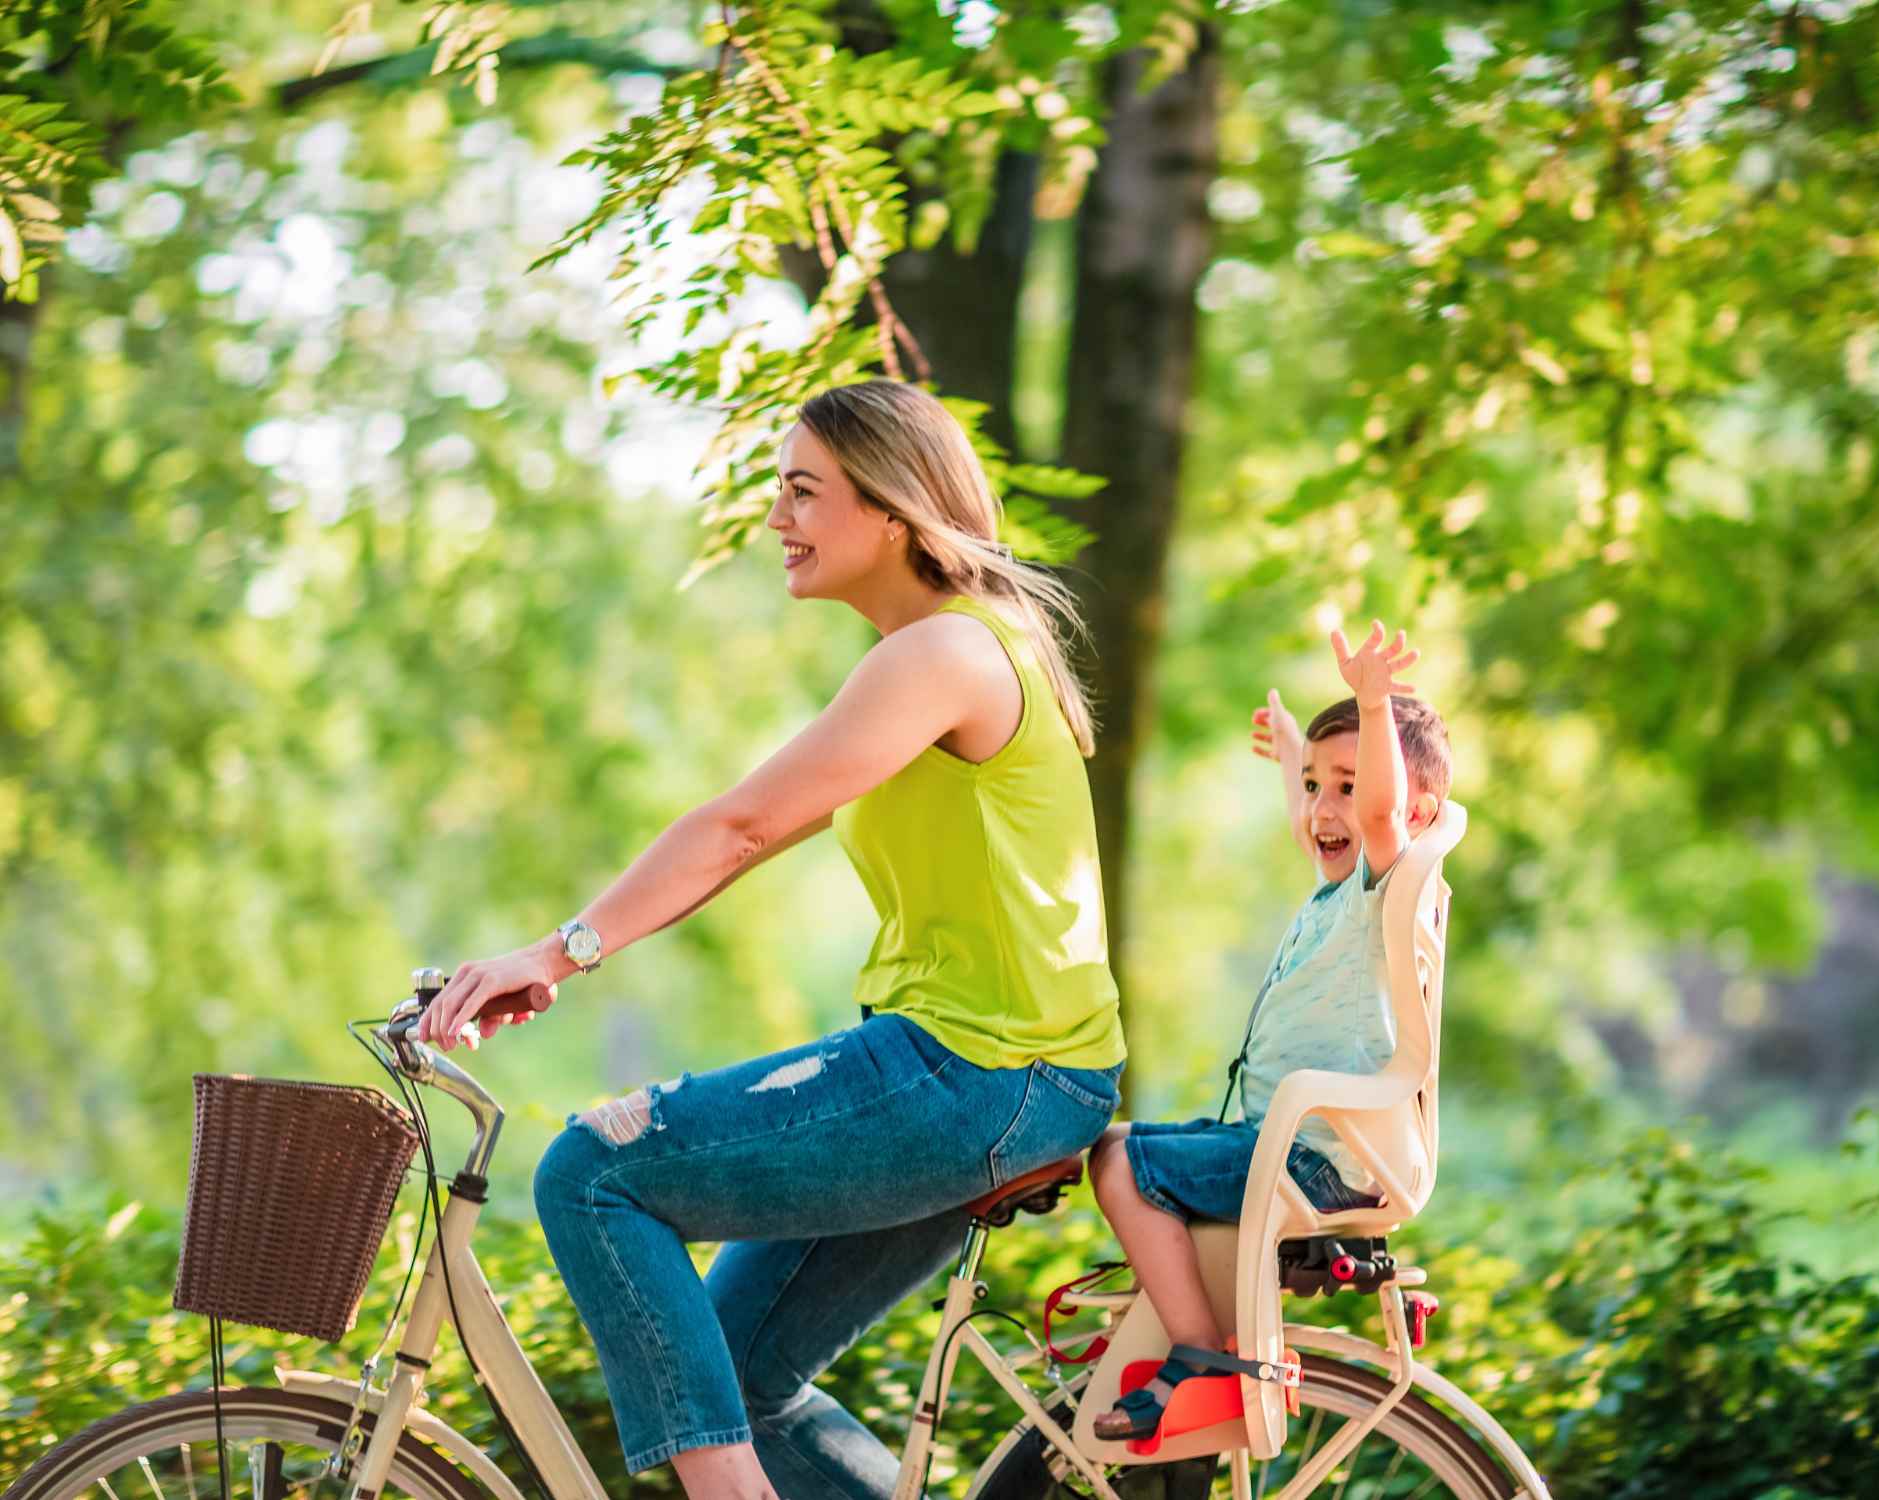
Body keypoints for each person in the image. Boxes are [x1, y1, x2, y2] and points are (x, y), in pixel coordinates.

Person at [415, 380, 1126, 1500]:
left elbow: (739, 828)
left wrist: (552, 955)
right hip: (1002, 1075)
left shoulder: (944, 654)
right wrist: (568, 954)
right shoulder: (950, 650)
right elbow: (742, 838)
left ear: (890, 510)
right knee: (740, 1374)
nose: (775, 518)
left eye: (802, 491)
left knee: (593, 1172)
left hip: (981, 1071)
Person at [1085, 620, 1452, 1443]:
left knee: (1122, 1169)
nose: (1323, 808)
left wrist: (1372, 702)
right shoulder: (1341, 889)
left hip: (1311, 1158)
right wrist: (1296, 754)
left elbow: (1379, 812)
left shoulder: (1385, 884)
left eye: (1346, 786)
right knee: (1114, 1144)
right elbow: (1308, 819)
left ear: (1414, 811)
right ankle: (1192, 1327)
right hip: (1296, 1145)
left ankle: (1195, 1351)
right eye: (1318, 786)